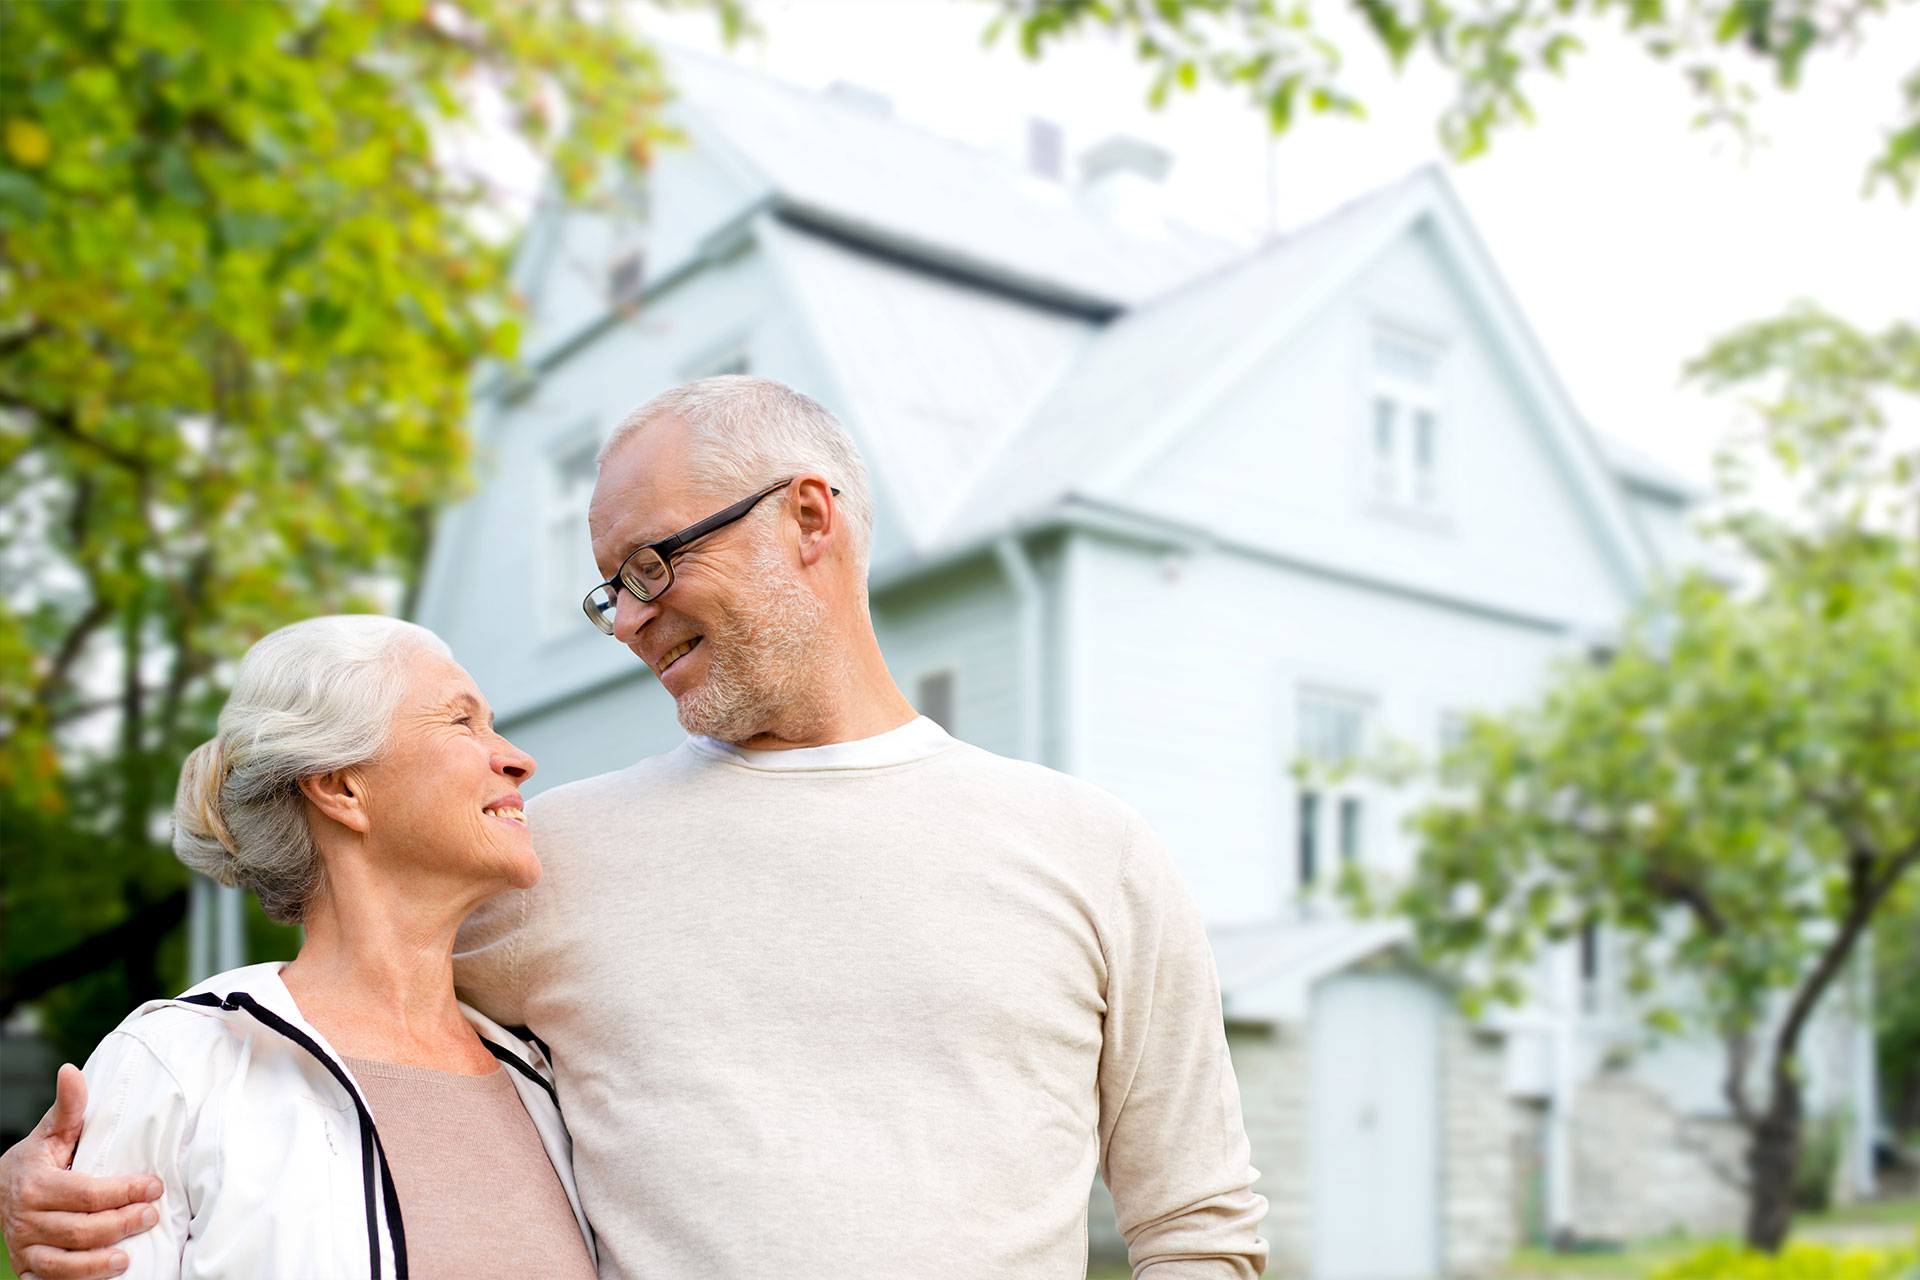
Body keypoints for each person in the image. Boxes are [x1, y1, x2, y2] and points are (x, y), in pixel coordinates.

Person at [3, 376, 1268, 1278]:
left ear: (810, 519)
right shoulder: (547, 860)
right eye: (610, 585)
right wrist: (52, 1181)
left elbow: (1200, 1227)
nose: (628, 618)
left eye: (654, 564)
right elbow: (327, 1012)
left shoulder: (1092, 850)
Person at [0, 616, 597, 1280]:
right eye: (463, 724)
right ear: (341, 788)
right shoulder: (180, 1066)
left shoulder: (546, 1081)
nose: (518, 757)